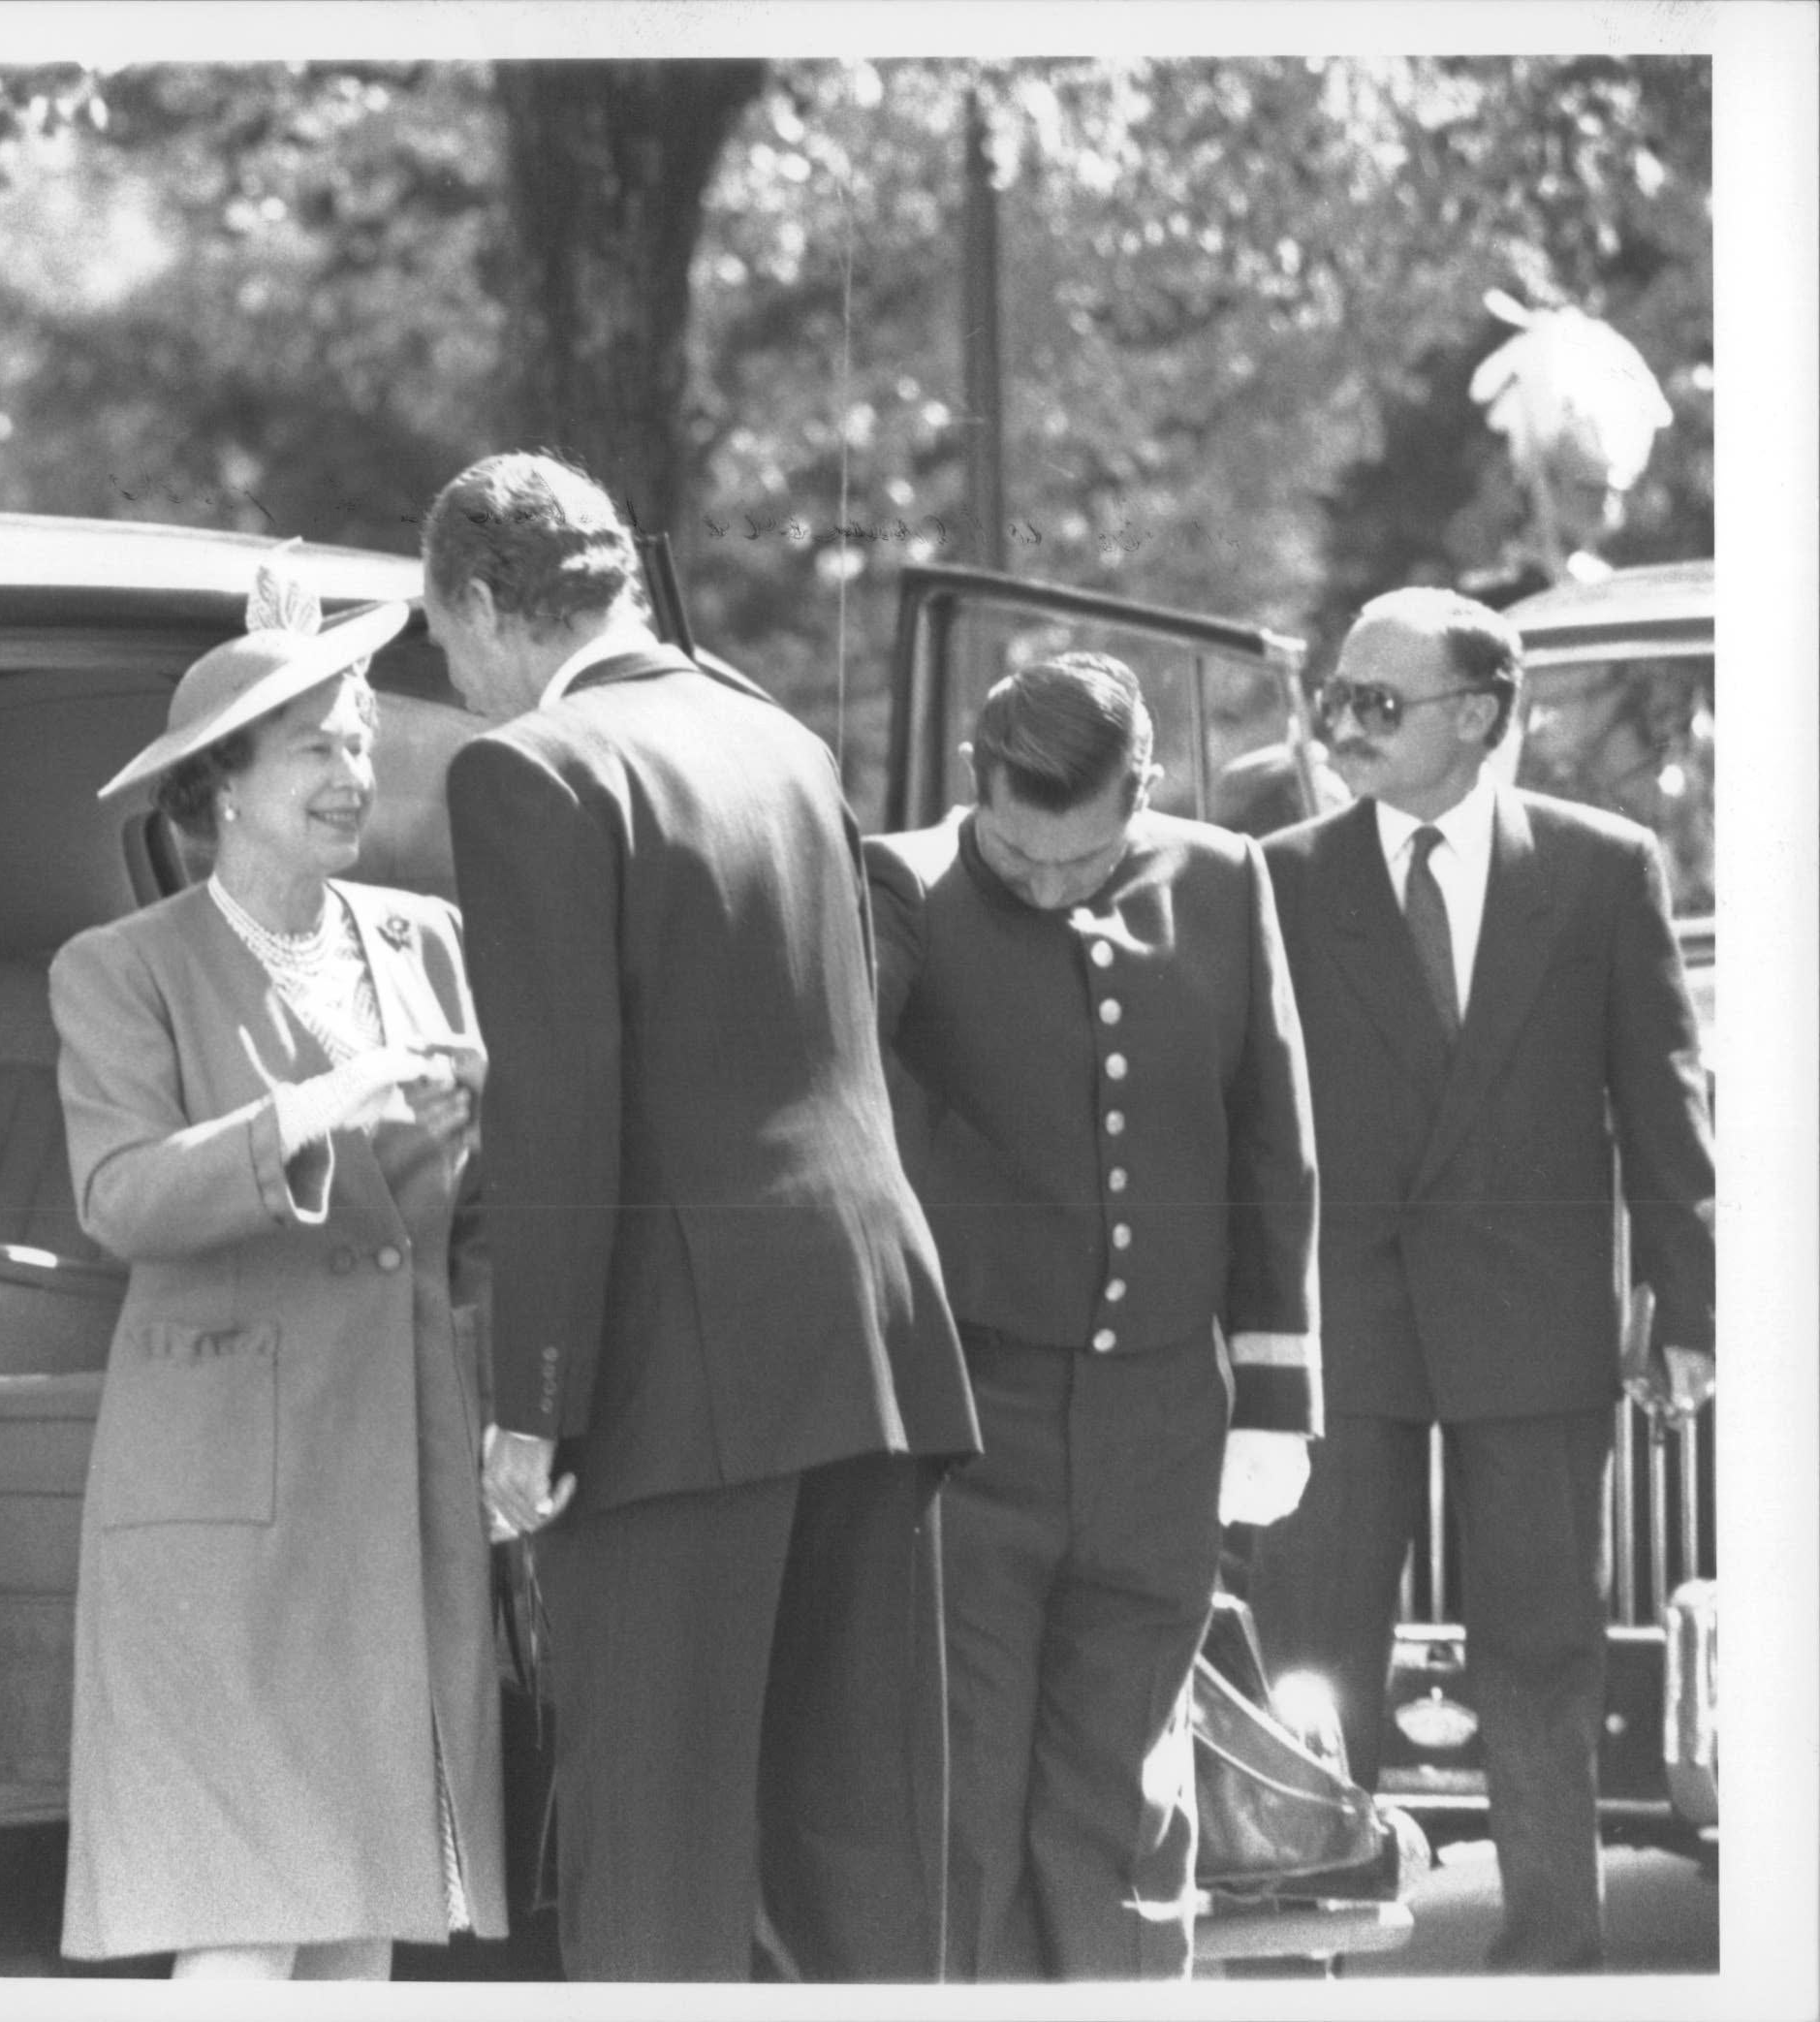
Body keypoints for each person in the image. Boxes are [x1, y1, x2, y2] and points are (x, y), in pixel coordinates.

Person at [427, 451, 980, 1981]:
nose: (459, 681)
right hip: (868, 1347)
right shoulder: (777, 734)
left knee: (656, 1872)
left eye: (445, 640)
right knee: (856, 1860)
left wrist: (530, 1408)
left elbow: (561, 1109)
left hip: (680, 1385)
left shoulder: (532, 766)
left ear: (482, 602)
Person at [49, 554, 504, 1981]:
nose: (353, 769)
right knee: (242, 1925)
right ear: (220, 786)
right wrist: (319, 1105)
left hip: (402, 1477)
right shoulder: (121, 968)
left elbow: (467, 1214)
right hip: (225, 1510)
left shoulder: (429, 938)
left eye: (363, 740)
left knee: (362, 1919)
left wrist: (466, 1131)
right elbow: (119, 1196)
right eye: (316, 745)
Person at [1250, 587, 1715, 1973]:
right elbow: (1239, 1115)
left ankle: (1555, 1948)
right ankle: (1301, 1940)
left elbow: (1661, 1100)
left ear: (1482, 715)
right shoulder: (1275, 874)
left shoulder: (1599, 865)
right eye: (1336, 699)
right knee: (1315, 1642)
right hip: (1345, 1328)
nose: (1343, 729)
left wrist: (1691, 1313)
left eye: (1378, 705)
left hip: (1535, 1322)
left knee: (1543, 1643)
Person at [860, 654, 1320, 1980]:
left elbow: (1270, 1144)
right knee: (971, 1794)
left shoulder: (1225, 880)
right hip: (975, 1415)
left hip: (1162, 1423)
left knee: (1126, 1795)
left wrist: (1278, 1396)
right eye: (1017, 851)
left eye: (1086, 856)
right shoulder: (903, 886)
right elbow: (856, 1092)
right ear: (974, 789)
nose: (1051, 884)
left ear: (1145, 791)